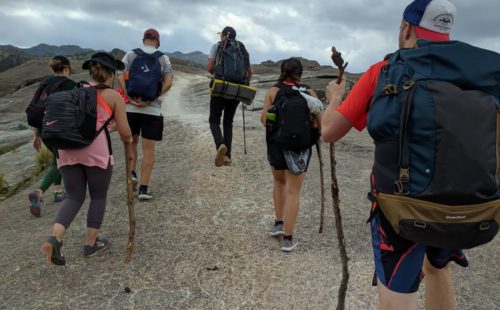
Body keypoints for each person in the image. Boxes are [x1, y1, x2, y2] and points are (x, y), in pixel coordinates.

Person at [321, 1, 469, 309]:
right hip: (459, 201)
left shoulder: (383, 72)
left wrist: (335, 99)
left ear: (406, 29)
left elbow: (329, 132)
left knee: (398, 292)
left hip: (402, 207)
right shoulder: (470, 75)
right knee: (437, 268)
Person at [42, 52, 132, 265]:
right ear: (110, 73)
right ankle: (91, 244)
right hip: (95, 151)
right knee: (98, 196)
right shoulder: (113, 96)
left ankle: (55, 238)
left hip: (67, 149)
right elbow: (126, 133)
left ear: (91, 71)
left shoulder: (76, 90)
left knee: (74, 196)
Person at [260, 58, 321, 252]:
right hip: (300, 147)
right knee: (293, 190)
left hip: (277, 145)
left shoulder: (274, 92)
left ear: (281, 71)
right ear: (300, 73)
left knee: (279, 183)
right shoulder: (309, 93)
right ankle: (288, 238)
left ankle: (278, 223)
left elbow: (264, 120)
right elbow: (320, 123)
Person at [117, 28, 173, 200]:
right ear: (157, 41)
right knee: (149, 151)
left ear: (143, 40)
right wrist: (153, 98)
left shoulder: (131, 55)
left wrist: (128, 96)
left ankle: (132, 174)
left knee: (131, 143)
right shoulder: (163, 58)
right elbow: (169, 82)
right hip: (152, 110)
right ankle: (143, 189)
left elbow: (119, 75)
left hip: (131, 109)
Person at [28, 55, 77, 217]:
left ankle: (57, 191)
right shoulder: (70, 85)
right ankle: (39, 192)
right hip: (59, 128)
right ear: (67, 68)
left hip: (43, 129)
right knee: (59, 162)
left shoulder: (44, 84)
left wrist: (36, 135)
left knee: (57, 158)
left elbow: (38, 108)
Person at [207, 26, 253, 167]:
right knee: (228, 122)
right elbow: (250, 72)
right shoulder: (241, 48)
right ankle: (227, 156)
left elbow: (210, 67)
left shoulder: (217, 46)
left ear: (222, 35)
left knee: (214, 120)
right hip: (237, 90)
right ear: (234, 36)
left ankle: (220, 144)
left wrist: (218, 74)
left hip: (221, 86)